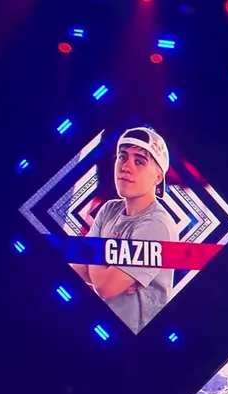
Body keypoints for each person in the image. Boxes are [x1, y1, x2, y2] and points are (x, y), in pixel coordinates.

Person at [70, 127, 180, 333]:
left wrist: (97, 259)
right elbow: (77, 267)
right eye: (122, 157)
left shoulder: (157, 225)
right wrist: (106, 268)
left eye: (139, 161)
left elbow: (105, 287)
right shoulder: (109, 209)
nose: (126, 167)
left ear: (158, 177)